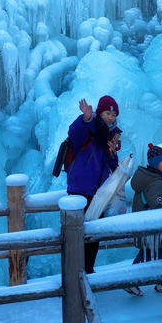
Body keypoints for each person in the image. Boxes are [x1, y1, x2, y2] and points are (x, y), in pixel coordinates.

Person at [66, 95, 121, 274]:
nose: (111, 117)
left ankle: (88, 269)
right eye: (107, 113)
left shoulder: (111, 137)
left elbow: (114, 167)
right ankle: (75, 271)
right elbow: (73, 134)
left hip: (99, 192)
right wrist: (86, 118)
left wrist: (113, 153)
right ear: (100, 112)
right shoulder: (89, 127)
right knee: (77, 232)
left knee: (94, 232)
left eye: (114, 115)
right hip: (80, 188)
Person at [124, 143, 162, 295]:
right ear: (155, 164)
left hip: (148, 227)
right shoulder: (156, 183)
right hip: (154, 227)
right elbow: (157, 206)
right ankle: (132, 281)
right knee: (153, 253)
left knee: (156, 253)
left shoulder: (149, 177)